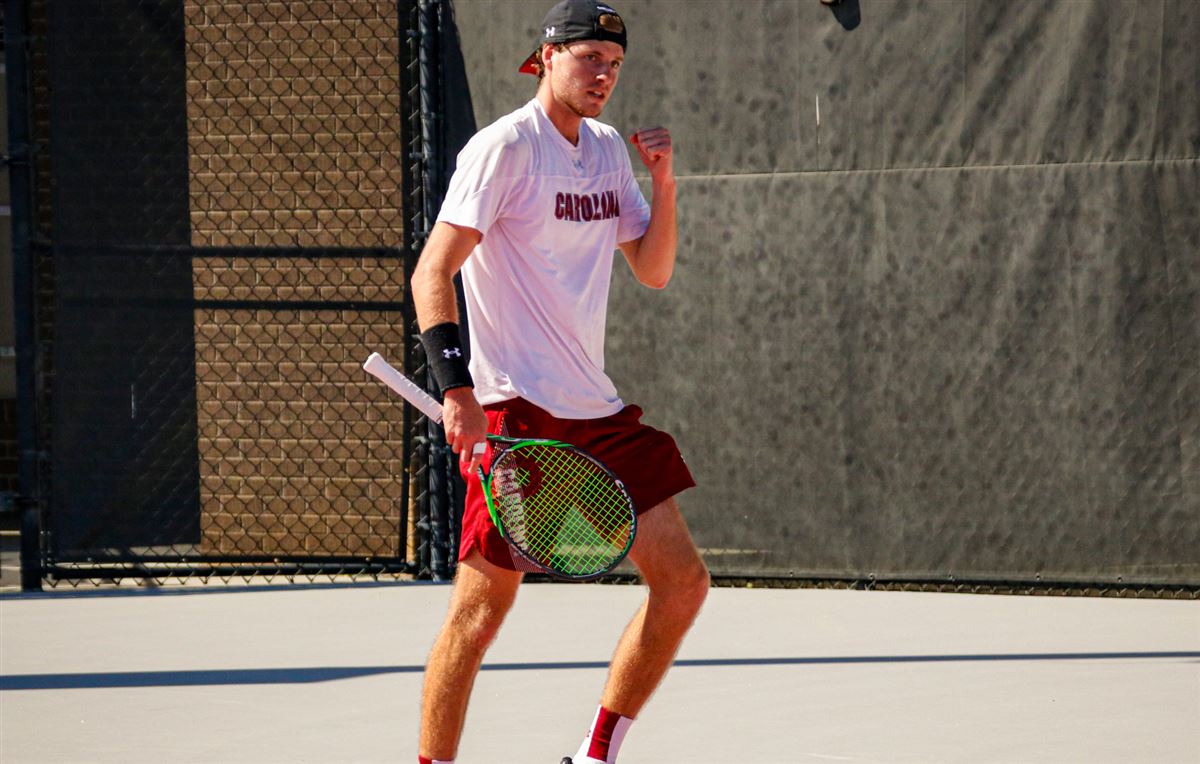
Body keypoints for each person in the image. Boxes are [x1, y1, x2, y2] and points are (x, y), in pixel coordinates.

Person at [409, 1, 709, 762]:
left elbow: (654, 269)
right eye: (587, 59)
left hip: (595, 410)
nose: (602, 75)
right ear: (546, 58)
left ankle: (595, 752)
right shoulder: (503, 148)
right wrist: (457, 392)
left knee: (683, 583)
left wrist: (663, 181)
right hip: (514, 411)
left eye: (613, 64)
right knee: (480, 614)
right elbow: (432, 272)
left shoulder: (608, 152)